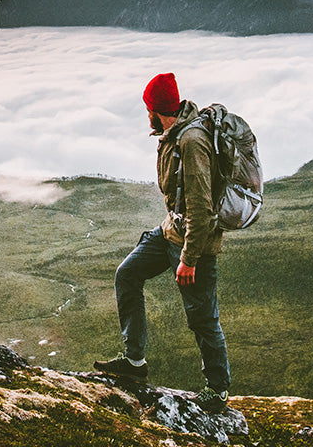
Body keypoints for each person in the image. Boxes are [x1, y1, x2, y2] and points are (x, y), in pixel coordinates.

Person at [94, 72, 230, 414]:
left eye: (148, 109)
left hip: (193, 245)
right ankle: (135, 362)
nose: (147, 116)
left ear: (157, 108)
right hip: (170, 232)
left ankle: (217, 390)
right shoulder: (173, 135)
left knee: (202, 319)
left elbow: (202, 207)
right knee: (128, 274)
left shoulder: (191, 141)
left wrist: (190, 258)